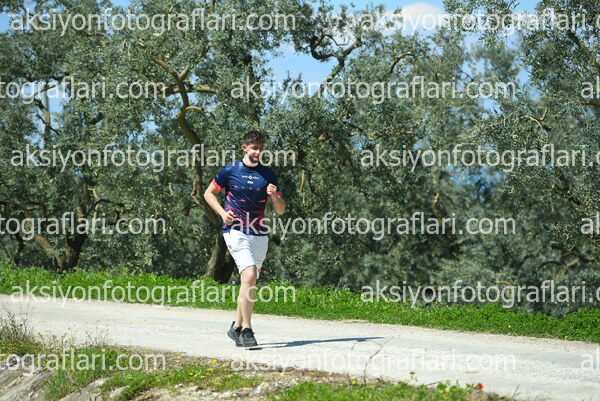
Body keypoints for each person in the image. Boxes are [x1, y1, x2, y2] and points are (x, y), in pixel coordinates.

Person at [203, 130, 286, 347]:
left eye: (261, 148)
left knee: (249, 281)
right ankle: (248, 330)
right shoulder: (230, 170)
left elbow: (280, 209)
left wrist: (274, 196)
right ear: (244, 148)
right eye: (254, 148)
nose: (258, 152)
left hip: (259, 235)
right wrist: (222, 214)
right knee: (249, 275)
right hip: (235, 231)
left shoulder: (268, 174)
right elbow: (208, 193)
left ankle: (236, 327)